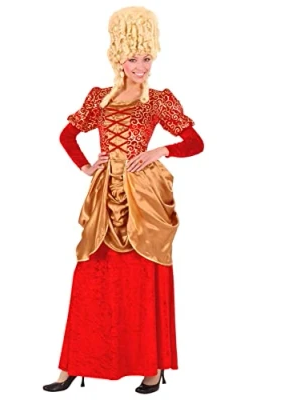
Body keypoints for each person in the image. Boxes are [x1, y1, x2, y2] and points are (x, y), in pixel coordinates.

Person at [43, 6, 204, 395]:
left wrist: (160, 150)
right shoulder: (99, 98)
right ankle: (72, 366)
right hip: (104, 197)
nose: (141, 67)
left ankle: (151, 367)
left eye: (147, 58)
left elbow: (195, 142)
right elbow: (67, 136)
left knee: (141, 275)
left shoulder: (159, 101)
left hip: (142, 198)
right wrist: (86, 167)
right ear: (119, 58)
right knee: (93, 277)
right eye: (133, 59)